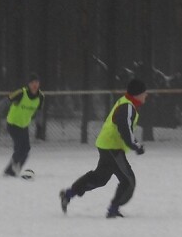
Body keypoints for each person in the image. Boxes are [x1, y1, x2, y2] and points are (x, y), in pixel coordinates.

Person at [59, 79, 147, 218]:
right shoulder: (127, 107)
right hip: (113, 148)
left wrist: (133, 143)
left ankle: (69, 193)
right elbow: (125, 129)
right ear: (137, 94)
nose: (145, 96)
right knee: (128, 181)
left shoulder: (126, 103)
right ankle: (113, 209)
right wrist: (135, 146)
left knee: (100, 178)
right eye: (144, 93)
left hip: (107, 145)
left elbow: (125, 129)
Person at [3, 73, 45, 177]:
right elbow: (5, 101)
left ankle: (14, 169)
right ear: (29, 84)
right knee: (20, 148)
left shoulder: (40, 96)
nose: (35, 85)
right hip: (12, 123)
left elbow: (39, 111)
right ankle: (10, 170)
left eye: (36, 82)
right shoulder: (21, 92)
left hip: (23, 125)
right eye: (32, 83)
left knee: (26, 149)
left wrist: (39, 124)